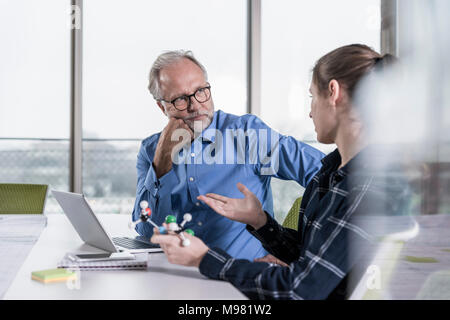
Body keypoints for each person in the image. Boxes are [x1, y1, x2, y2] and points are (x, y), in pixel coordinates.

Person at [151, 44, 398, 299]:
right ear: (163, 107)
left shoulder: (363, 190)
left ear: (333, 93)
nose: (309, 111)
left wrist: (203, 258)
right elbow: (308, 260)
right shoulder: (330, 175)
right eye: (181, 99)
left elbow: (300, 288)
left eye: (312, 96)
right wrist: (259, 220)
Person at [133, 50, 324, 261]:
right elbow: (144, 230)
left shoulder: (248, 135)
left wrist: (304, 256)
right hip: (175, 278)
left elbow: (327, 174)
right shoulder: (151, 150)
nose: (195, 105)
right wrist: (161, 164)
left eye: (201, 91)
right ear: (162, 107)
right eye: (180, 99)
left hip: (243, 280)